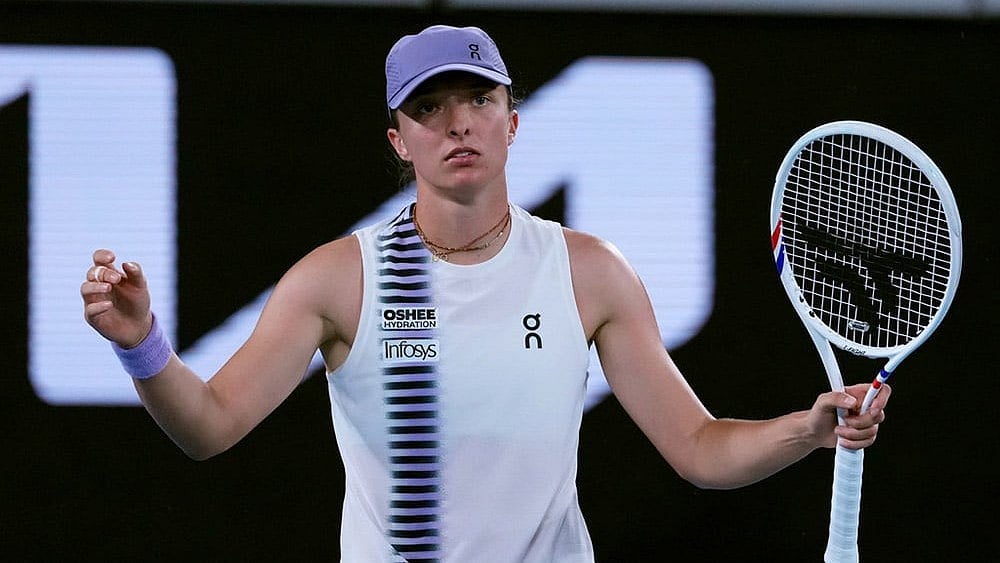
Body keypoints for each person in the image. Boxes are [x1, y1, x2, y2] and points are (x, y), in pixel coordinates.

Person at [80, 24, 889, 563]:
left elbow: (701, 449)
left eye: (478, 99)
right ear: (400, 141)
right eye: (429, 108)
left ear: (512, 120)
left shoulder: (587, 270)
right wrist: (141, 344)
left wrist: (807, 428)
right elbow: (209, 427)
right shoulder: (339, 279)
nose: (457, 122)